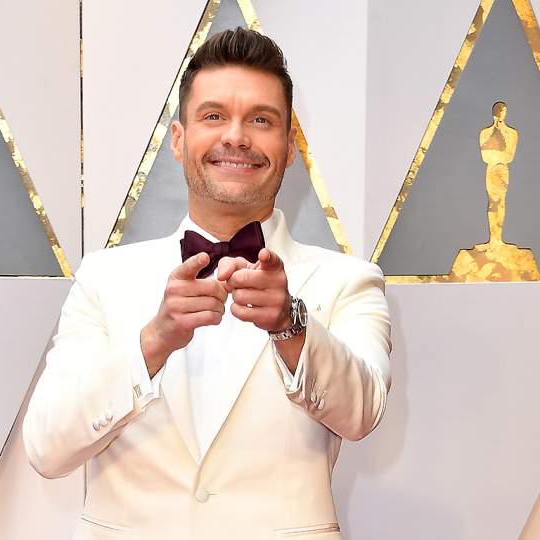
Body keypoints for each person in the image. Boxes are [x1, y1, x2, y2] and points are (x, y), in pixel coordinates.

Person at [23, 27, 391, 540]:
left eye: (261, 120)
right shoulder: (103, 278)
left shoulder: (349, 281)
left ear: (290, 146)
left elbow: (362, 412)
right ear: (178, 139)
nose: (236, 137)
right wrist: (152, 342)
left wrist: (291, 325)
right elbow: (47, 447)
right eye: (214, 116)